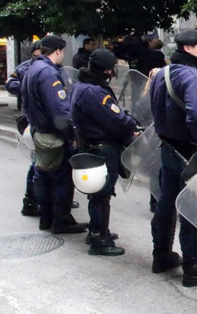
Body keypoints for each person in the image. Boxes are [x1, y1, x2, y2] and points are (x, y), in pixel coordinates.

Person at [149, 29, 197, 287]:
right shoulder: (192, 76)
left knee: (167, 204)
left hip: (168, 148)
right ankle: (193, 268)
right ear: (189, 49)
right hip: (189, 152)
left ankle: (162, 256)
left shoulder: (164, 72)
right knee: (192, 208)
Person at [71, 49, 137, 256]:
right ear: (107, 69)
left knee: (97, 191)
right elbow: (115, 120)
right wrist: (131, 125)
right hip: (101, 147)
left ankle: (97, 229)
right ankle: (100, 238)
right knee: (102, 192)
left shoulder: (82, 86)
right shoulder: (94, 92)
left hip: (91, 145)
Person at [21, 35, 87, 234]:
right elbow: (59, 111)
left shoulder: (32, 68)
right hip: (53, 134)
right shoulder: (49, 72)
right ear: (58, 51)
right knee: (61, 179)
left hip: (38, 131)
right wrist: (72, 136)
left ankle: (46, 217)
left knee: (42, 175)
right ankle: (61, 220)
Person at [6, 40, 42, 216]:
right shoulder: (26, 67)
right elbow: (10, 83)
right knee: (36, 162)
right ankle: (31, 200)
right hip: (34, 120)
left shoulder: (51, 68)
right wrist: (27, 88)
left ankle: (50, 198)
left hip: (48, 121)